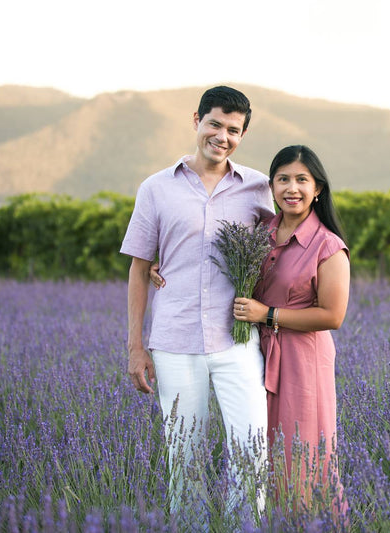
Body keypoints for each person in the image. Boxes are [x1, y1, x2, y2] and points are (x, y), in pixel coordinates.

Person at [120, 86, 275, 517]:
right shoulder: (155, 188)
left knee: (250, 451)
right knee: (182, 458)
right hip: (174, 341)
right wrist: (136, 346)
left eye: (233, 130)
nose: (222, 136)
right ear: (196, 120)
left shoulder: (259, 188)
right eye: (215, 124)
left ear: (242, 135)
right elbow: (138, 269)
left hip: (238, 342)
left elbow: (285, 245)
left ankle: (247, 527)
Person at [232, 145, 350, 508]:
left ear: (318, 189)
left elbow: (332, 316)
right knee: (259, 452)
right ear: (271, 186)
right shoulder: (258, 233)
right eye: (283, 179)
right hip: (257, 357)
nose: (291, 188)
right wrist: (161, 267)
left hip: (303, 363)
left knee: (300, 454)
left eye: (302, 180)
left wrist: (267, 315)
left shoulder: (327, 245)